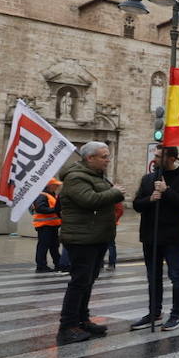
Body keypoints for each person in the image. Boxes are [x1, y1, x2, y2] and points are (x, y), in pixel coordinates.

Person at [56, 142, 125, 344]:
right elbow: (89, 200)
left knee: (88, 281)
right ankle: (67, 325)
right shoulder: (76, 177)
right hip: (81, 238)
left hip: (96, 237)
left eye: (108, 156)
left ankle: (82, 319)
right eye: (103, 156)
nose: (107, 160)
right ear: (90, 158)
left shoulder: (96, 176)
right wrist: (116, 192)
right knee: (79, 282)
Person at [129, 146, 179, 331]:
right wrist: (150, 198)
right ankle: (154, 312)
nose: (155, 159)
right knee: (153, 277)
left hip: (172, 237)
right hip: (150, 236)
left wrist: (167, 192)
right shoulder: (148, 179)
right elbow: (136, 205)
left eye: (159, 156)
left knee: (176, 276)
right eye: (155, 156)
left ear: (172, 158)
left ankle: (176, 314)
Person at [32, 178, 64, 273]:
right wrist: (55, 210)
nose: (57, 186)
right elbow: (40, 208)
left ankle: (58, 264)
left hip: (52, 225)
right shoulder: (43, 195)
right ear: (50, 185)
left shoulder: (52, 195)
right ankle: (41, 266)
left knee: (54, 246)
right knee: (44, 246)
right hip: (44, 225)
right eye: (55, 185)